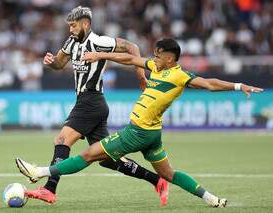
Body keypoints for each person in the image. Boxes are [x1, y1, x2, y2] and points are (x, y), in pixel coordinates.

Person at [15, 38, 263, 207]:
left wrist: (239, 86)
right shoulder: (157, 67)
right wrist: (101, 54)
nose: (153, 58)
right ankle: (211, 198)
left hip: (138, 132)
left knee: (90, 154)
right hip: (152, 133)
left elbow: (209, 84)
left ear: (170, 58)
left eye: (159, 55)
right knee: (168, 173)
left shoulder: (180, 75)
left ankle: (40, 172)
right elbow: (130, 60)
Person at [24, 6, 169, 206]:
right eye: (69, 26)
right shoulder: (71, 43)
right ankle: (157, 180)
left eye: (74, 26)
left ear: (86, 23)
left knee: (62, 139)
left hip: (90, 102)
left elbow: (132, 47)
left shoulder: (99, 42)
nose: (70, 30)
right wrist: (51, 63)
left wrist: (140, 76)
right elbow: (59, 63)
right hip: (91, 103)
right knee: (107, 158)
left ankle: (48, 189)